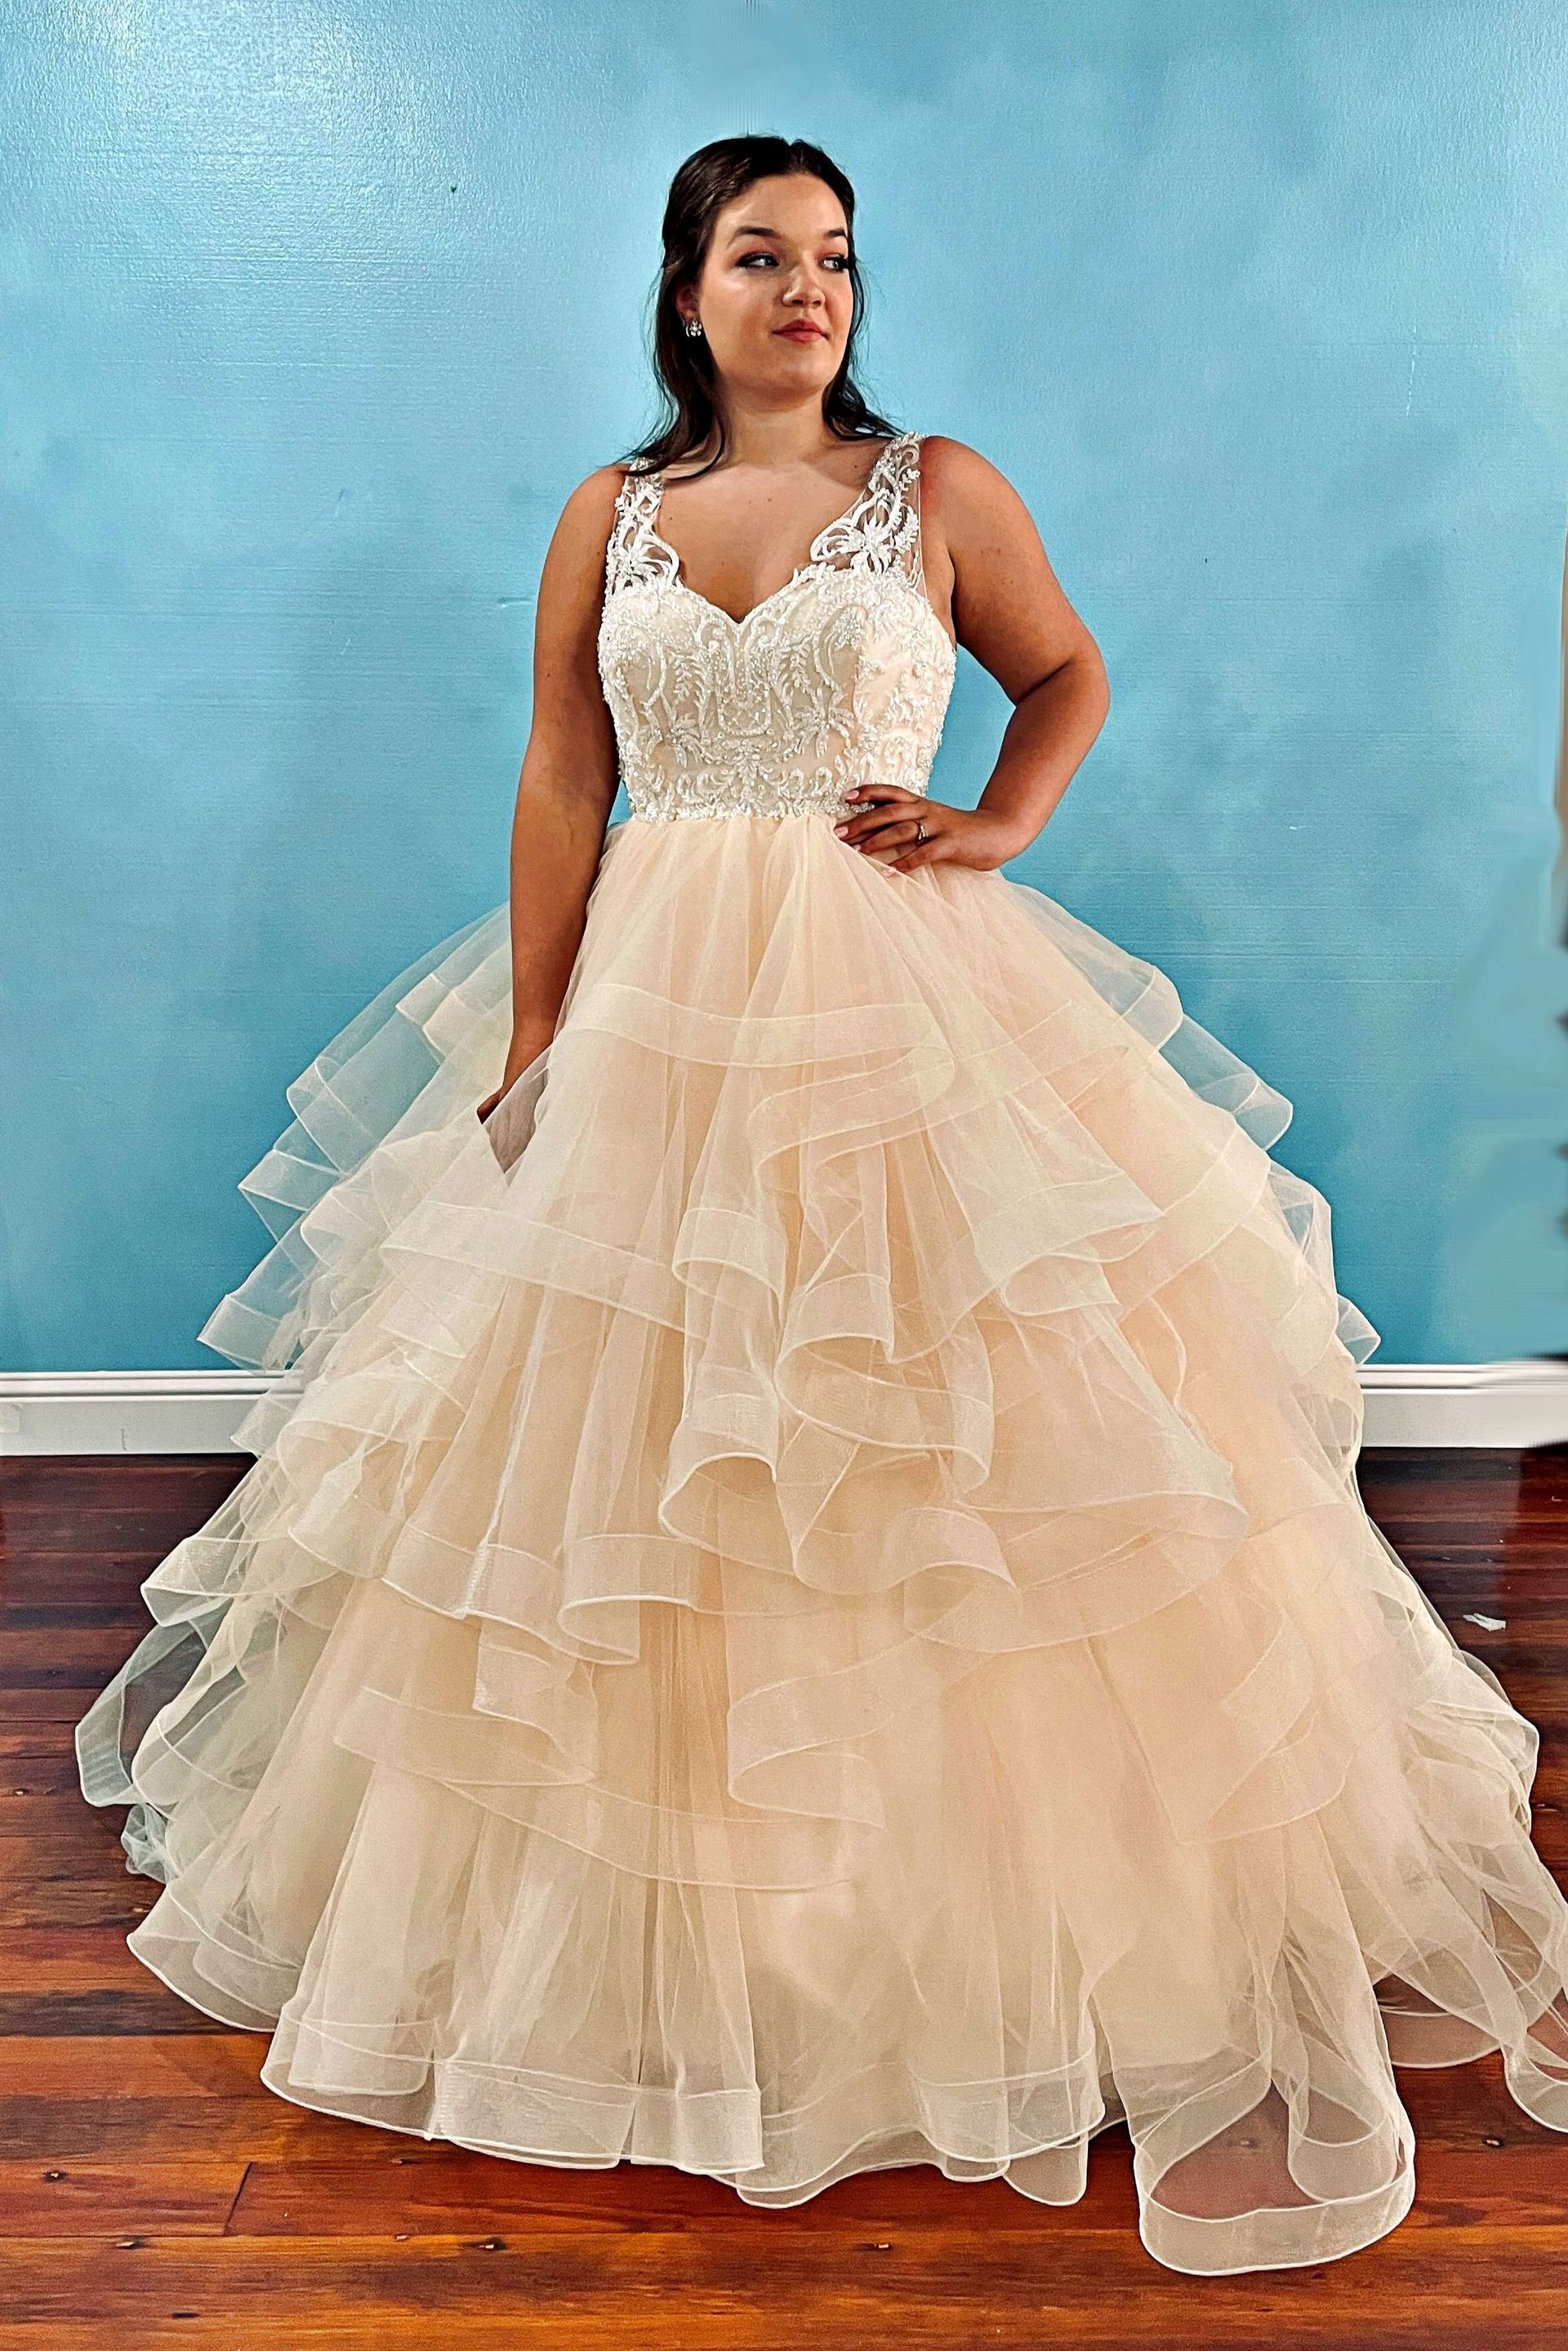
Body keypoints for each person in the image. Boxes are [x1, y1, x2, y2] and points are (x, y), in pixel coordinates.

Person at [75, 132, 1568, 2278]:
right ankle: (657, 1959)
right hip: (655, 1008)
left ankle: (966, 1929)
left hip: (901, 1009)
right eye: (762, 256)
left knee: (942, 1449)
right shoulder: (616, 516)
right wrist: (531, 1039)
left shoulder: (937, 491)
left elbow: (1069, 677)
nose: (810, 290)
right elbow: (562, 775)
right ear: (686, 291)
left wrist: (994, 826)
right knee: (614, 1477)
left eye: (837, 258)